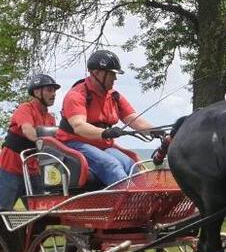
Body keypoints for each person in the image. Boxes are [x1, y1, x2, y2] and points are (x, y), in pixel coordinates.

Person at [56, 50, 161, 186]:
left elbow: (134, 120)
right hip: (74, 145)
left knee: (132, 165)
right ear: (96, 73)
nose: (115, 78)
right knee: (111, 165)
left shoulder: (114, 96)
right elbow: (79, 126)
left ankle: (147, 196)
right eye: (112, 74)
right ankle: (130, 197)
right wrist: (106, 132)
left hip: (101, 146)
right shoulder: (76, 95)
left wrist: (157, 131)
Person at [0, 74, 59, 209]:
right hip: (11, 167)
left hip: (33, 169)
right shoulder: (25, 108)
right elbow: (28, 130)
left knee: (41, 211)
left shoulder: (50, 118)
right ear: (37, 92)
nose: (54, 94)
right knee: (3, 209)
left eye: (54, 91)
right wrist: (43, 142)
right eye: (49, 90)